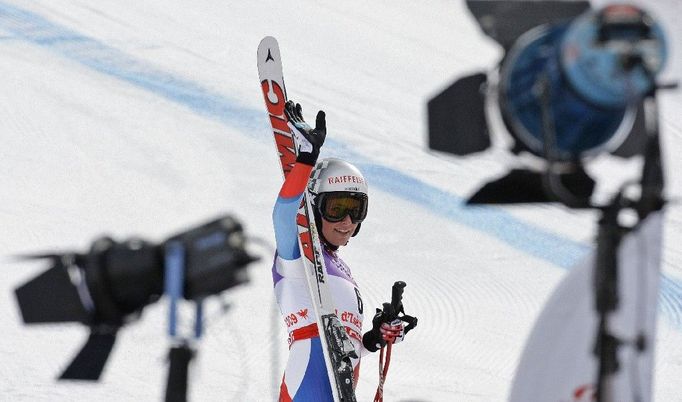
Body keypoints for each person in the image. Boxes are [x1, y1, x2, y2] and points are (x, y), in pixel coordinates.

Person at [272, 101, 407, 401]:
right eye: (336, 209)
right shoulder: (298, 255)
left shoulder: (342, 270)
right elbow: (282, 215)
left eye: (355, 211)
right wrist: (305, 161)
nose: (346, 222)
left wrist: (374, 338)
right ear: (315, 205)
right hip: (307, 378)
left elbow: (347, 349)